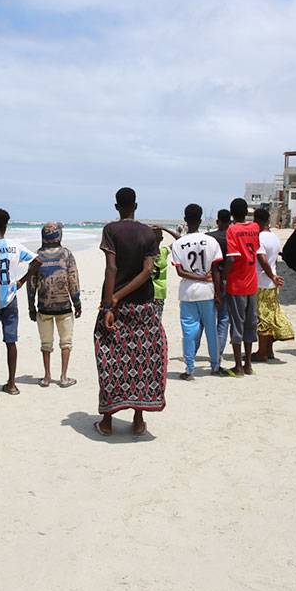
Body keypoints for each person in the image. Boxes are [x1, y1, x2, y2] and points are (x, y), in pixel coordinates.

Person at [94, 187, 166, 436]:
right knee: (143, 360)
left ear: (116, 207)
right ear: (135, 206)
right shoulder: (148, 233)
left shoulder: (111, 230)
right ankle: (138, 419)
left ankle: (107, 421)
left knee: (109, 360)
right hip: (144, 305)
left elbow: (111, 269)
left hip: (116, 306)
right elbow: (147, 271)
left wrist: (110, 302)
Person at [0, 208, 39, 396]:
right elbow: (37, 261)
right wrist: (21, 281)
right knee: (11, 341)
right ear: (6, 225)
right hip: (11, 296)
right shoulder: (15, 245)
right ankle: (11, 384)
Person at [169, 204, 223, 379]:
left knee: (189, 332)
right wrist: (218, 292)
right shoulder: (211, 241)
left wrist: (196, 277)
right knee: (211, 330)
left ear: (185, 220)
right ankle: (215, 365)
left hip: (188, 293)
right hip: (207, 291)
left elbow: (179, 272)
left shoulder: (178, 244)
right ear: (200, 220)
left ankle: (189, 369)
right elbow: (215, 270)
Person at [27, 222, 82, 388]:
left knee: (46, 343)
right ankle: (64, 377)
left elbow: (31, 283)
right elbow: (73, 279)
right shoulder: (66, 254)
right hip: (64, 306)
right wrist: (77, 302)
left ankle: (46, 377)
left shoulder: (37, 256)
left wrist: (31, 306)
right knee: (66, 342)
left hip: (43, 307)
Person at [225, 199, 261, 376]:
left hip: (237, 283)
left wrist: (223, 276)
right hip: (252, 283)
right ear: (246, 212)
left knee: (237, 325)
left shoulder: (232, 230)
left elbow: (231, 258)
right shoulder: (255, 228)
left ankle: (238, 366)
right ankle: (249, 365)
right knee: (250, 324)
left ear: (232, 213)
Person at [251, 209, 293, 362]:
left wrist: (272, 276)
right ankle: (269, 350)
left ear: (256, 220)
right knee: (270, 315)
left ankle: (261, 352)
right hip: (271, 284)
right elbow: (272, 260)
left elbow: (262, 259)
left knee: (262, 319)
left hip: (262, 282)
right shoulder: (274, 237)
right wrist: (274, 277)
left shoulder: (259, 237)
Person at [203, 209, 232, 362]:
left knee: (209, 319)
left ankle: (211, 351)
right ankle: (218, 353)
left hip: (210, 280)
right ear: (230, 221)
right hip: (228, 280)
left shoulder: (208, 237)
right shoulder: (232, 237)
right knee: (224, 319)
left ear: (217, 221)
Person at [151, 228, 170, 318]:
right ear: (161, 239)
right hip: (160, 291)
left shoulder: (145, 253)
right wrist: (165, 229)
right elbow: (180, 240)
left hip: (147, 291)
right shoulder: (164, 251)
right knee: (158, 319)